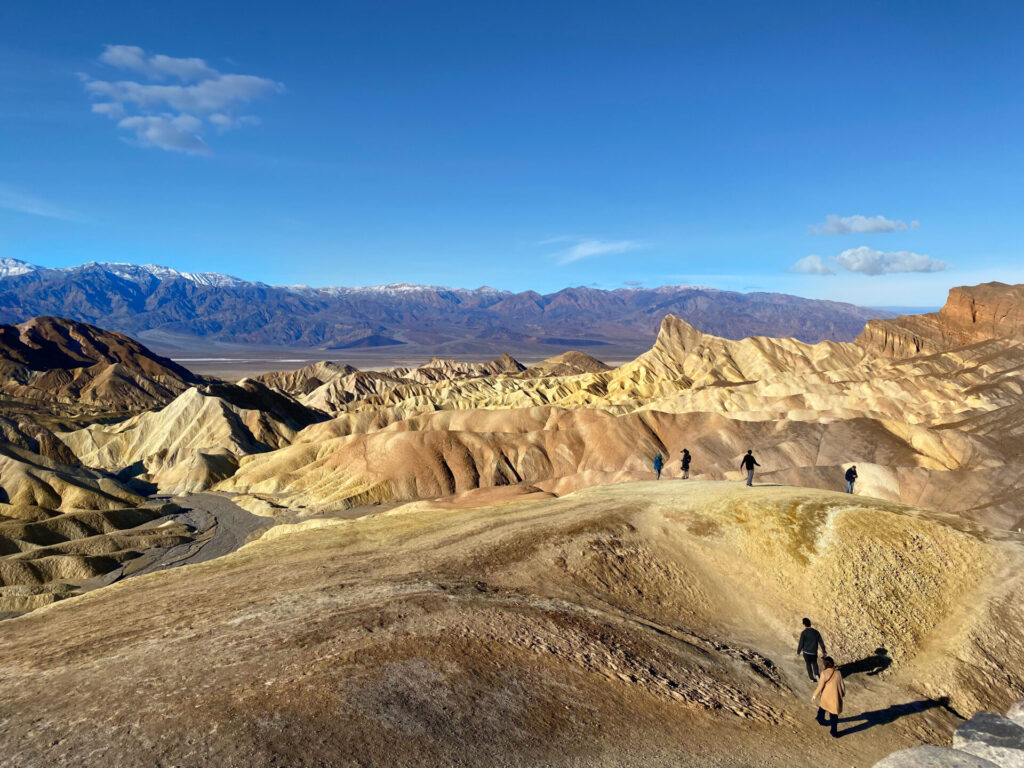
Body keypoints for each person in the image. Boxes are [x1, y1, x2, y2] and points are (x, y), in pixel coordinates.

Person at [811, 656, 846, 738]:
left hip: (826, 696)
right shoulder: (838, 673)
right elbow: (842, 685)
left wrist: (814, 696)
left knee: (822, 708)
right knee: (834, 716)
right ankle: (834, 732)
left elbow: (820, 686)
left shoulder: (824, 673)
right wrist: (842, 694)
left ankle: (820, 720)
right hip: (835, 698)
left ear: (825, 664)